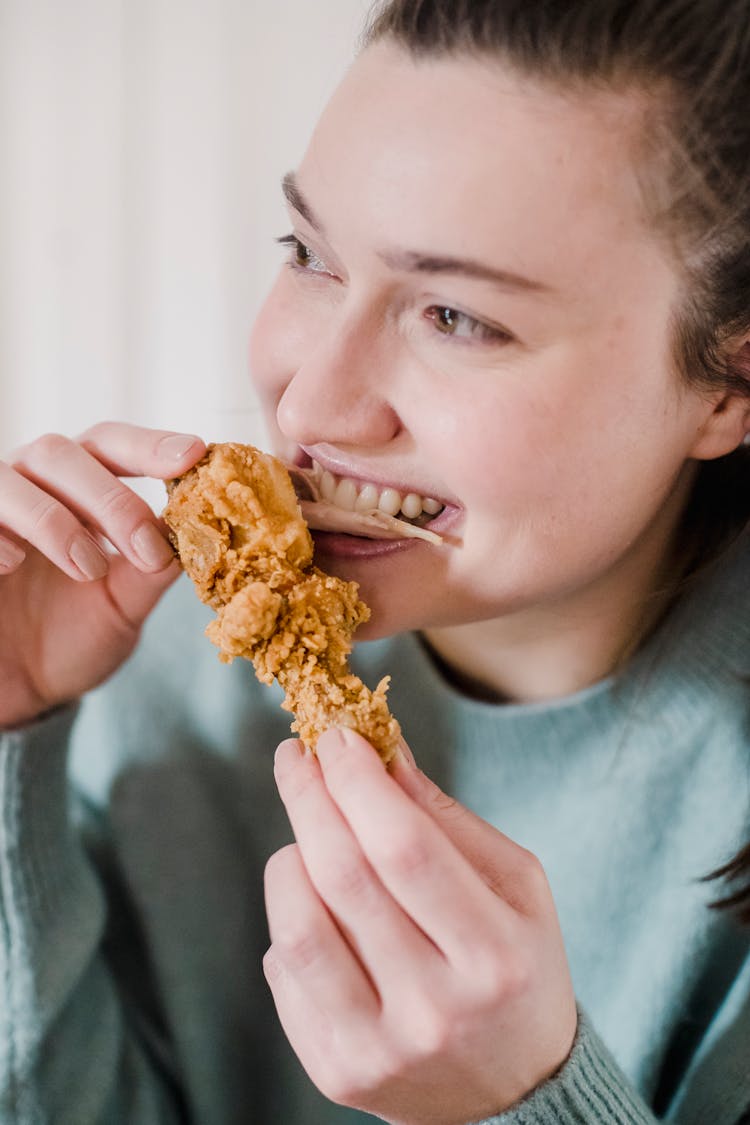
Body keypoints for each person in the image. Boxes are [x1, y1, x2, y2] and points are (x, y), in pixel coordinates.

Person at [0, 0, 749, 1121]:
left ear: (729, 384)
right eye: (308, 254)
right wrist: (9, 735)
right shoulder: (131, 661)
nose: (310, 401)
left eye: (457, 317)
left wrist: (527, 1101)